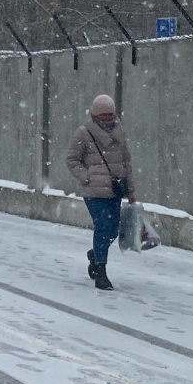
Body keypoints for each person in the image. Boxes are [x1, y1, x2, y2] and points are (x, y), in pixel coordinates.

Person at [66, 94, 136, 291]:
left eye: (110, 114)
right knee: (103, 225)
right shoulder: (84, 133)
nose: (107, 118)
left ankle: (96, 255)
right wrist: (87, 176)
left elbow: (126, 162)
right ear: (95, 115)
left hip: (115, 189)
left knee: (113, 229)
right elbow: (72, 160)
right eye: (103, 114)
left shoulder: (119, 131)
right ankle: (101, 272)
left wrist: (130, 190)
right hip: (94, 191)